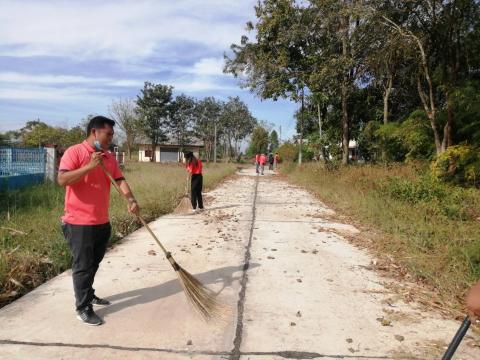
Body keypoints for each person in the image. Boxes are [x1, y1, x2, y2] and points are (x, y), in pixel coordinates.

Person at [57, 116, 140, 326]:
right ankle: (83, 307)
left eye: (112, 134)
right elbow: (62, 179)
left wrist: (130, 199)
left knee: (94, 263)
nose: (111, 138)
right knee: (83, 266)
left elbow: (119, 179)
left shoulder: (109, 157)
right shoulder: (75, 152)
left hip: (101, 221)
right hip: (78, 223)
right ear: (95, 132)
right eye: (108, 134)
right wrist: (89, 166)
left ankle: (88, 294)